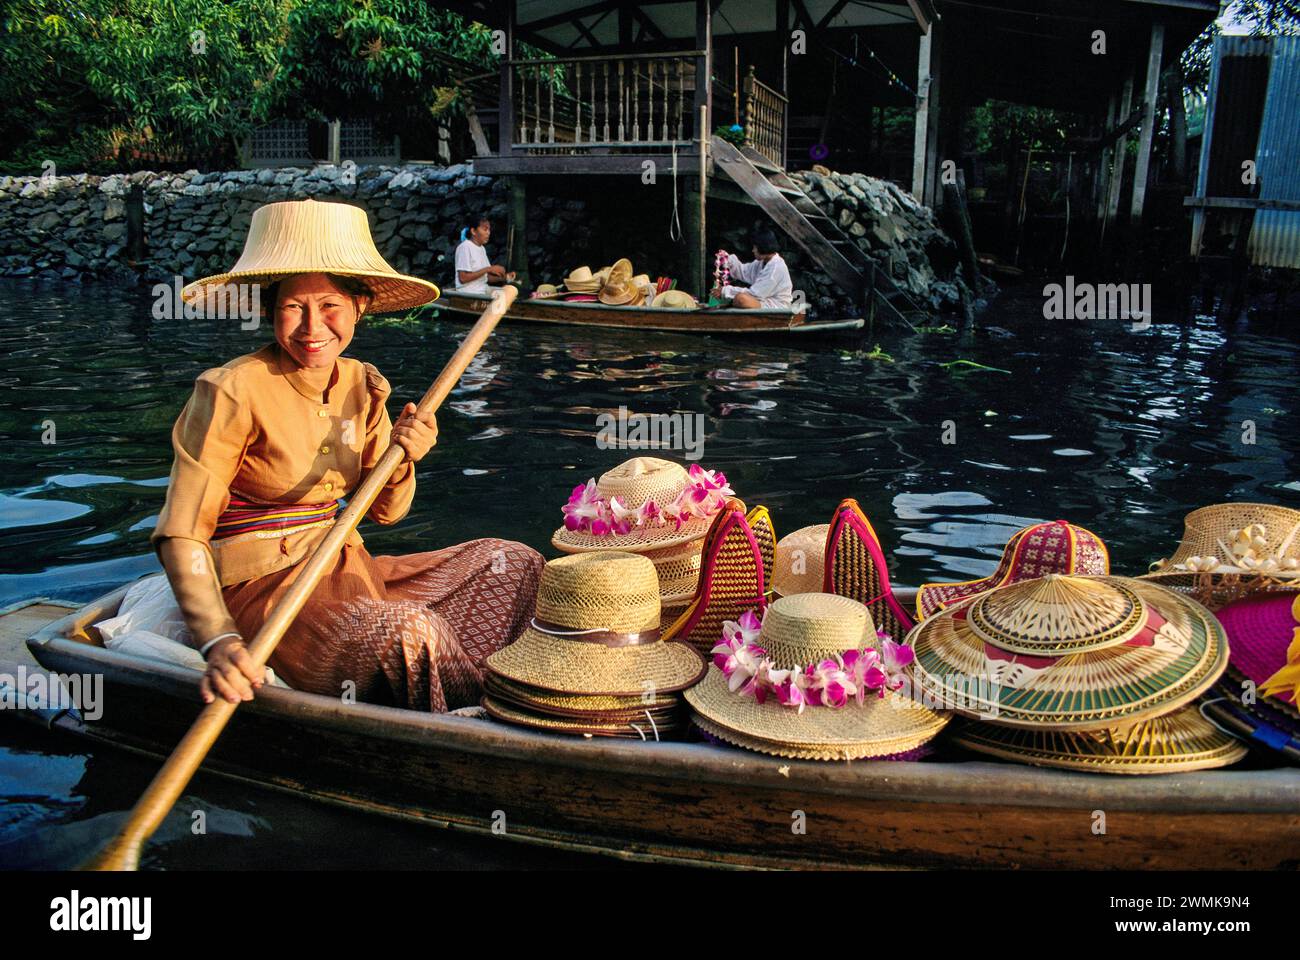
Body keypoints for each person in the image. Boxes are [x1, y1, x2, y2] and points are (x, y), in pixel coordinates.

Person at [156, 198, 543, 713]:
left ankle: (476, 684)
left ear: (359, 306)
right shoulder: (231, 390)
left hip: (345, 567)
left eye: (330, 306)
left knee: (512, 562)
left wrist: (404, 456)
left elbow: (386, 511)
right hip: (264, 591)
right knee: (411, 634)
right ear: (270, 309)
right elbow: (181, 532)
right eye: (293, 307)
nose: (313, 327)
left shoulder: (364, 384)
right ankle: (485, 710)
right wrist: (219, 641)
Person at [712, 226, 793, 309]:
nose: (753, 250)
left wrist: (725, 291)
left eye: (755, 247)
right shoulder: (761, 262)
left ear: (762, 247)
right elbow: (743, 272)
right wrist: (729, 260)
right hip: (763, 301)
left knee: (741, 299)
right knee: (738, 298)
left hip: (776, 305)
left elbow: (755, 294)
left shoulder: (776, 268)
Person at [453, 215, 515, 293]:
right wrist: (489, 269)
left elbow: (485, 278)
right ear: (473, 231)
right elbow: (463, 278)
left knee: (510, 293)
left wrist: (505, 278)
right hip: (469, 293)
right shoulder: (465, 247)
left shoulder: (481, 249)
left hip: (482, 289)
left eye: (489, 230)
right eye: (485, 229)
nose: (488, 233)